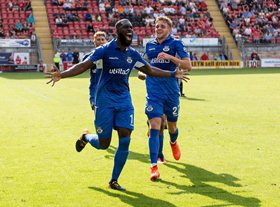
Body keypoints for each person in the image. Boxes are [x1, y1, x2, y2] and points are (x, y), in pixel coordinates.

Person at [45, 19, 188, 191]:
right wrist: (63, 74)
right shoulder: (104, 50)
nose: (130, 31)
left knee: (125, 138)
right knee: (104, 143)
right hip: (104, 101)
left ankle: (114, 180)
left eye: (132, 29)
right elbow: (84, 65)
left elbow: (150, 70)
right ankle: (86, 138)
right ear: (117, 31)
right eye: (126, 28)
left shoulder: (133, 54)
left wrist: (173, 74)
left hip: (124, 101)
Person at [143, 16, 192, 181]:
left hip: (171, 92)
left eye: (162, 26)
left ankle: (173, 142)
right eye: (156, 26)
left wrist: (170, 58)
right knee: (155, 125)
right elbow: (144, 67)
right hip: (153, 92)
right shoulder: (149, 45)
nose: (158, 28)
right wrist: (143, 73)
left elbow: (188, 66)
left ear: (170, 29)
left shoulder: (176, 44)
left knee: (172, 126)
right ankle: (153, 167)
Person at [82, 31, 107, 110]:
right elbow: (81, 68)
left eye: (102, 39)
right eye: (98, 39)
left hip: (110, 91)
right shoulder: (88, 57)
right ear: (94, 41)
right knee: (100, 118)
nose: (101, 41)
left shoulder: (112, 56)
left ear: (106, 41)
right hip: (95, 91)